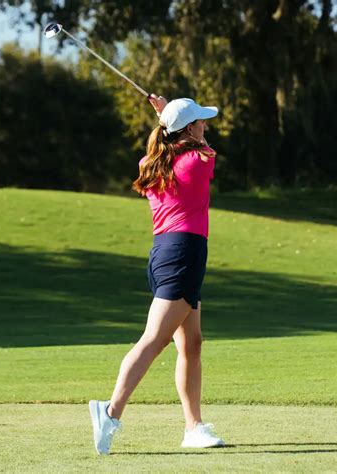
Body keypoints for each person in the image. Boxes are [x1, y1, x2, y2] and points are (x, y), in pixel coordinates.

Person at [89, 95, 225, 455]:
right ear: (190, 130)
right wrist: (167, 116)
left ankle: (193, 427)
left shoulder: (151, 162)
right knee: (154, 339)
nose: (206, 126)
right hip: (183, 254)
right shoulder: (198, 160)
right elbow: (208, 150)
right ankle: (110, 412)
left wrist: (167, 118)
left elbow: (167, 144)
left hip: (167, 253)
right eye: (200, 121)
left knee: (191, 343)